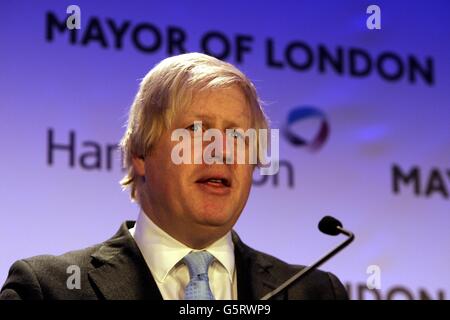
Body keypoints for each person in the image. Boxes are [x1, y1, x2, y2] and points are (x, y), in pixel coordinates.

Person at [0, 53, 348, 300]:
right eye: (197, 130)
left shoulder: (314, 292)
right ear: (140, 153)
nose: (221, 150)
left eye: (239, 136)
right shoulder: (48, 290)